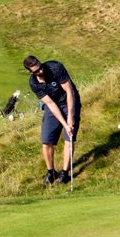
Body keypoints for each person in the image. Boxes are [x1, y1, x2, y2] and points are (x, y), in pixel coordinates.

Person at [24, 55, 79, 185]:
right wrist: (64, 124)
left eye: (40, 67)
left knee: (69, 137)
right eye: (36, 71)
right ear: (30, 72)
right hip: (53, 105)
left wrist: (70, 117)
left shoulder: (55, 68)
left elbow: (69, 91)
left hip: (69, 102)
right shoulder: (34, 83)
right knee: (46, 140)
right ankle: (51, 172)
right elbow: (50, 104)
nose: (41, 71)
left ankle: (65, 173)